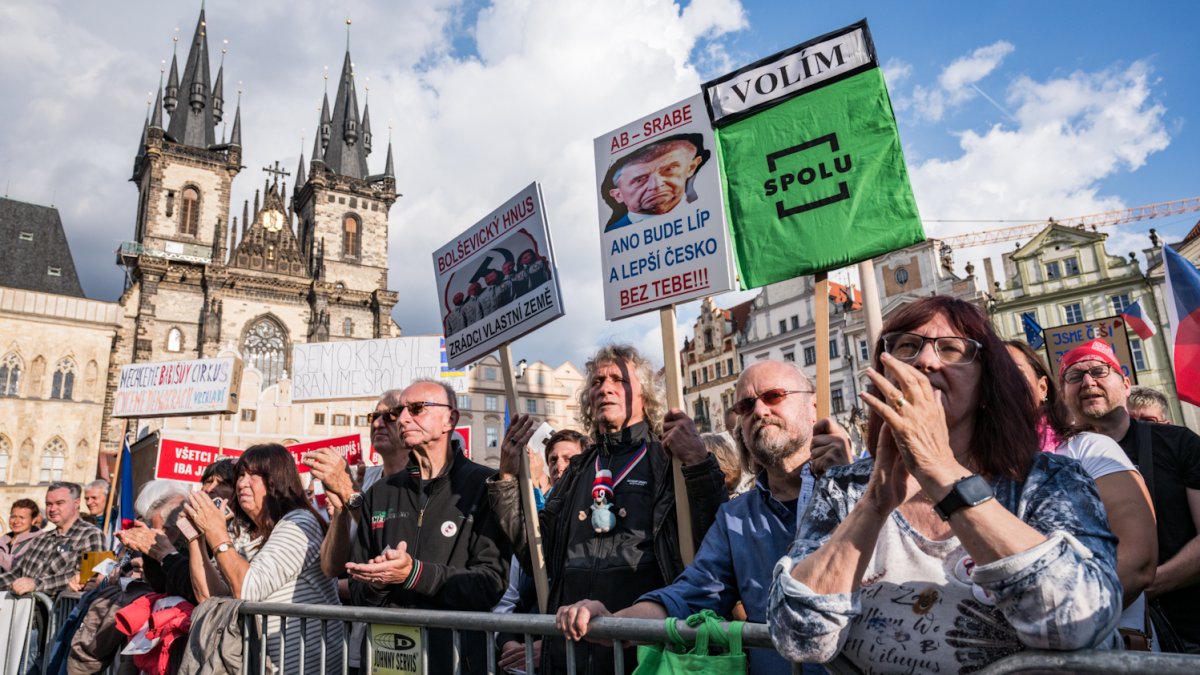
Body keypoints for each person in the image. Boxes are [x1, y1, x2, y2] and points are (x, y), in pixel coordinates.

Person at [768, 296, 1122, 672]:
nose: (925, 361)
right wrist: (873, 504)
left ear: (986, 384)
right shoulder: (845, 489)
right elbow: (798, 638)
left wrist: (943, 473)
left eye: (952, 349)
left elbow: (1080, 620)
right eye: (906, 346)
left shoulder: (1049, 481)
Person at [557, 360, 853, 674]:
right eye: (746, 405)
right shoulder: (736, 519)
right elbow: (690, 594)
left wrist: (849, 483)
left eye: (774, 396)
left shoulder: (872, 486)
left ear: (813, 406)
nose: (760, 411)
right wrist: (614, 622)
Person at [491, 344, 727, 674]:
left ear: (644, 393)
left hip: (644, 649)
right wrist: (506, 477)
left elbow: (713, 537)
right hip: (572, 652)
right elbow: (535, 553)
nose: (605, 387)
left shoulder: (667, 460)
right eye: (597, 381)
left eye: (619, 379)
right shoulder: (577, 469)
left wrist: (699, 462)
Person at [345, 380, 509, 675]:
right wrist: (378, 582)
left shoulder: (484, 485)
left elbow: (490, 584)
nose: (403, 419)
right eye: (399, 411)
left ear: (450, 419)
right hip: (388, 661)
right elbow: (357, 592)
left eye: (417, 409)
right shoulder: (380, 492)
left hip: (457, 660)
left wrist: (414, 574)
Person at [1007, 340, 1158, 649]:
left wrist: (1057, 627)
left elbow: (1137, 562)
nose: (1000, 382)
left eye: (1012, 372)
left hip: (1100, 647)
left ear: (1043, 388)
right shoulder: (975, 466)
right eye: (990, 374)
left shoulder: (1086, 448)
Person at [1060, 338, 1200, 652]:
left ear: (1125, 384)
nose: (1087, 381)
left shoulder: (1178, 443)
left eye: (1099, 370)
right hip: (1099, 640)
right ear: (1061, 394)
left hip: (1188, 631)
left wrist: (1146, 583)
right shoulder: (1052, 460)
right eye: (1073, 376)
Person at [185, 444, 342, 675]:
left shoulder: (299, 523)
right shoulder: (245, 536)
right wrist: (195, 538)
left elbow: (247, 589)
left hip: (301, 668)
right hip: (262, 664)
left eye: (254, 475)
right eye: (240, 474)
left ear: (276, 480)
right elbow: (209, 598)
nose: (241, 483)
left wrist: (216, 533)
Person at [494, 428, 586, 673]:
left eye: (569, 459)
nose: (559, 466)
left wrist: (550, 648)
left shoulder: (592, 524)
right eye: (553, 459)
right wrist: (507, 642)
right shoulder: (536, 520)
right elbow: (509, 600)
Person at [0, 482, 104, 596]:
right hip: (24, 608)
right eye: (49, 504)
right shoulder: (41, 538)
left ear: (76, 503)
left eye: (59, 503)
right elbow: (17, 573)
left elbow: (87, 576)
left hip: (58, 609)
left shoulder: (91, 535)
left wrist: (36, 584)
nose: (52, 508)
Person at [601, 135, 710, 232]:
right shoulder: (614, 235)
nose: (656, 185)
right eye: (639, 180)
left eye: (669, 169)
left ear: (691, 168)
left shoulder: (711, 213)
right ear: (618, 195)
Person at [0, 499, 44, 572]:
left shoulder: (40, 541)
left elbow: (23, 568)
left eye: (21, 517)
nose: (16, 521)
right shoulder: (3, 539)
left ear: (33, 520)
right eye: (13, 517)